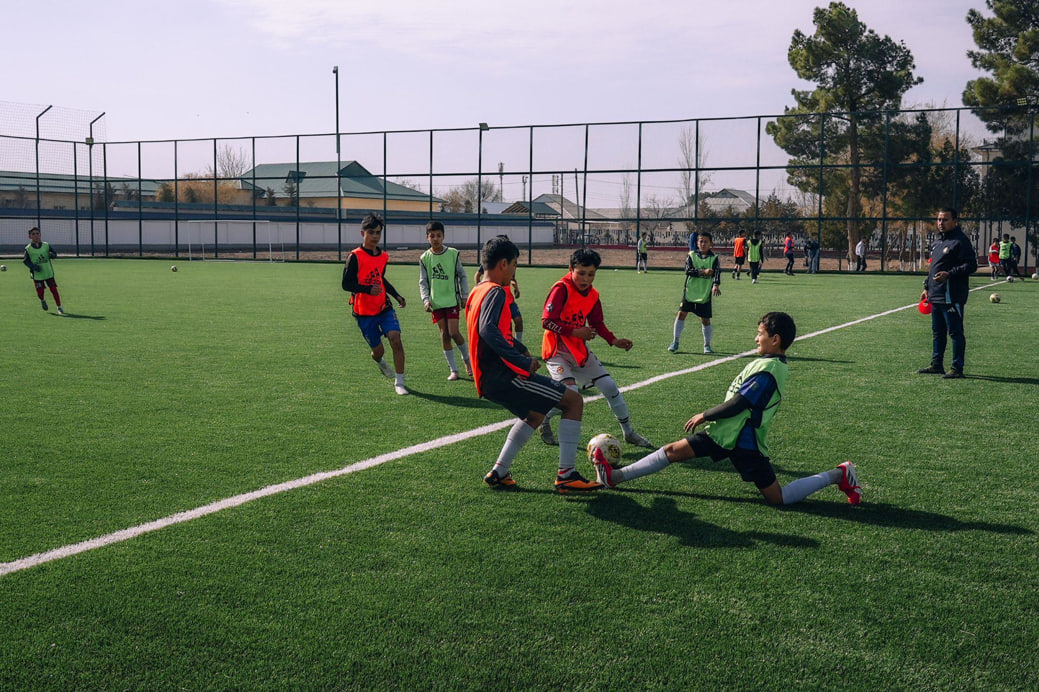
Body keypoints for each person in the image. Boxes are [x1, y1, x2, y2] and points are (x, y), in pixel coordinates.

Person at [592, 311, 862, 506]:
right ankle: (615, 477)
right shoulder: (768, 363)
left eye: (760, 334)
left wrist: (704, 415)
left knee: (778, 498)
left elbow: (740, 403)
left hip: (744, 441)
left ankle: (839, 474)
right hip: (725, 434)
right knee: (673, 451)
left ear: (775, 339)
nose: (756, 338)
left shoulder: (770, 369)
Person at [466, 235, 602, 493]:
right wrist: (520, 360)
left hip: (488, 377)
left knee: (536, 413)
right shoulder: (495, 290)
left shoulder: (477, 291)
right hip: (504, 375)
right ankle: (567, 475)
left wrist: (520, 349)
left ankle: (499, 472)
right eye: (514, 264)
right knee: (573, 402)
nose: (514, 271)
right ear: (503, 264)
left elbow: (489, 332)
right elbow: (487, 330)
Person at [536, 248, 654, 450]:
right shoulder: (561, 289)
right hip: (556, 351)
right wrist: (575, 331)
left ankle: (628, 433)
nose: (586, 279)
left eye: (591, 274)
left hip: (578, 350)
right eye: (581, 273)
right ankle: (544, 418)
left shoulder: (592, 295)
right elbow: (547, 321)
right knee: (571, 394)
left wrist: (613, 340)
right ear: (571, 269)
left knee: (610, 387)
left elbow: (597, 323)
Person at [341, 213, 409, 395]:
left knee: (396, 339)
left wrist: (396, 295)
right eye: (371, 232)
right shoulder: (355, 256)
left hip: (383, 307)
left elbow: (381, 279)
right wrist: (367, 289)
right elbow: (346, 284)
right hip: (363, 312)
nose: (375, 236)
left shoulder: (383, 256)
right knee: (378, 351)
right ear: (362, 233)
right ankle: (379, 361)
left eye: (378, 232)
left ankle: (400, 382)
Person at [918, 208, 977, 379]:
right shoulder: (938, 242)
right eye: (939, 219)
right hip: (935, 294)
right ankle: (936, 364)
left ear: (955, 221)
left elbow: (971, 265)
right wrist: (927, 287)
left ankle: (957, 368)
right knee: (937, 332)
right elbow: (934, 267)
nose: (940, 223)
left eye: (945, 219)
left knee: (955, 332)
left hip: (952, 295)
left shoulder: (961, 241)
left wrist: (949, 274)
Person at [418, 221, 473, 381]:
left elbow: (462, 275)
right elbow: (423, 282)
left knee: (454, 332)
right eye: (432, 236)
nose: (435, 239)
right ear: (427, 238)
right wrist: (426, 300)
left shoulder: (453, 254)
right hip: (436, 303)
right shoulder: (424, 258)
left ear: (443, 236)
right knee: (444, 335)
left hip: (452, 300)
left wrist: (464, 295)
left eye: (438, 235)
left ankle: (467, 360)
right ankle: (454, 370)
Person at [668, 232, 721, 354]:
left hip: (704, 293)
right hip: (690, 291)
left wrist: (715, 285)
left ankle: (707, 345)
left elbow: (717, 273)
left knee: (705, 319)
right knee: (681, 314)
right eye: (701, 241)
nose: (703, 244)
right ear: (697, 243)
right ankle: (675, 341)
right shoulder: (691, 255)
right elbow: (688, 270)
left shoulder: (714, 258)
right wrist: (703, 272)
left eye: (706, 241)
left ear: (711, 244)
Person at [475, 260, 523, 344]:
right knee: (501, 326)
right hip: (496, 300)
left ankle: (519, 344)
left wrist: (516, 288)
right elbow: (477, 276)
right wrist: (481, 290)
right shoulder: (492, 259)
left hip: (508, 299)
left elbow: (512, 278)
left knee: (518, 320)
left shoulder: (511, 260)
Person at [23, 227, 65, 314]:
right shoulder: (28, 249)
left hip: (48, 272)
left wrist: (52, 255)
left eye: (37, 233)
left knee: (54, 290)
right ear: (30, 236)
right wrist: (34, 267)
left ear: (40, 235)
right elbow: (26, 261)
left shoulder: (46, 245)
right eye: (33, 234)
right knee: (40, 292)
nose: (36, 235)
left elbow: (55, 254)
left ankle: (59, 307)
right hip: (37, 275)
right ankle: (42, 300)